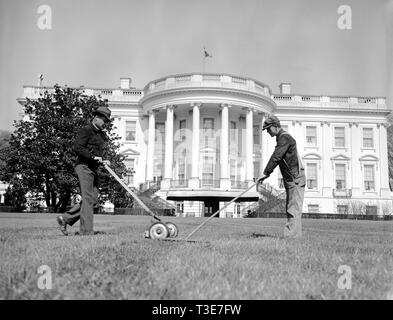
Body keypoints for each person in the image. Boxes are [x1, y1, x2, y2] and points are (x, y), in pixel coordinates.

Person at [57, 106, 112, 236]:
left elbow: (99, 152)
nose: (105, 123)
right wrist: (93, 157)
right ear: (96, 117)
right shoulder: (86, 130)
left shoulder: (101, 135)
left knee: (93, 199)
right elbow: (78, 147)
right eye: (104, 120)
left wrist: (105, 159)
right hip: (83, 166)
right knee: (88, 198)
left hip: (93, 168)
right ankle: (86, 232)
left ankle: (64, 219)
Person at [257, 115, 306, 238]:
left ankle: (291, 238)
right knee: (293, 207)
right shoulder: (282, 139)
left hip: (295, 179)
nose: (267, 132)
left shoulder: (285, 138)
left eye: (268, 129)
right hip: (292, 179)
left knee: (293, 208)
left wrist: (265, 173)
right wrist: (265, 174)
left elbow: (276, 157)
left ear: (275, 126)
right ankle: (295, 237)